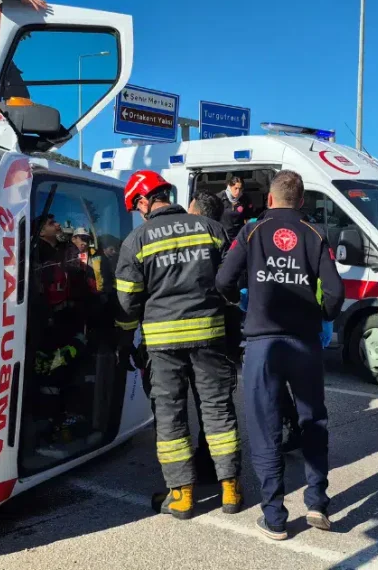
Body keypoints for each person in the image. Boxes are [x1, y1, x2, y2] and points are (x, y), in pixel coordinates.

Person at [216, 170, 345, 541]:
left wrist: (242, 303)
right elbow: (334, 293)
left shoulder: (251, 231)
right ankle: (317, 502)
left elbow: (223, 281)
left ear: (270, 199)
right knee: (313, 420)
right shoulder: (314, 234)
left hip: (263, 344)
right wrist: (321, 316)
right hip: (304, 343)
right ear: (301, 201)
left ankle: (274, 517)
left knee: (266, 427)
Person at [115, 171, 243, 520]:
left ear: (145, 200)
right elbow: (232, 282)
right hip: (210, 336)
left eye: (137, 206)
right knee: (218, 409)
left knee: (170, 416)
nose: (139, 213)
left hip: (163, 344)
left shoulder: (136, 240)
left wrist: (124, 340)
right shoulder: (211, 229)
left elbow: (127, 303)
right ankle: (231, 489)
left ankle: (182, 497)